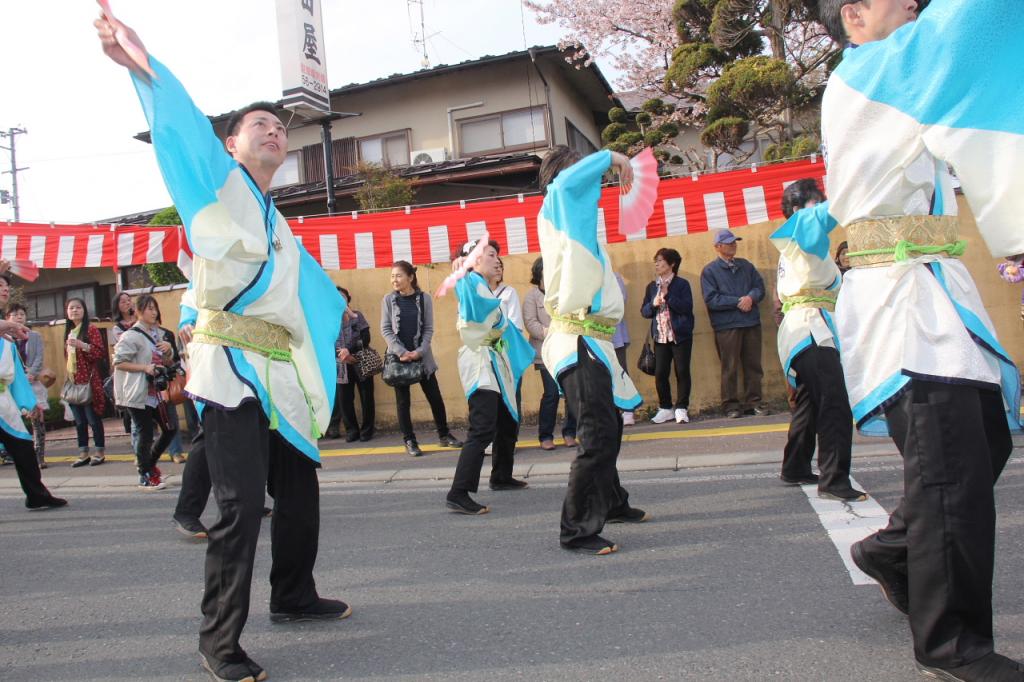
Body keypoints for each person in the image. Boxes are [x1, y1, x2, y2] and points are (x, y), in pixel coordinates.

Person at [97, 13, 350, 682]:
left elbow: (313, 296)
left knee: (299, 491)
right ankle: (218, 640)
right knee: (240, 505)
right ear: (232, 143)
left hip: (279, 373)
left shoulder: (278, 221)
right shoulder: (216, 186)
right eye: (259, 125)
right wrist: (143, 68)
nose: (275, 131)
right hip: (231, 368)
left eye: (280, 126)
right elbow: (181, 129)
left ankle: (293, 593)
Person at [797, 1, 1024, 678]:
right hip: (898, 295)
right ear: (856, 14)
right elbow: (975, 20)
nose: (917, 3)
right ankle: (952, 644)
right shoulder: (872, 72)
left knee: (984, 440)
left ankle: (894, 550)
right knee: (951, 463)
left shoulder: (893, 78)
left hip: (927, 289)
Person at [537, 145, 649, 556]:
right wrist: (612, 157)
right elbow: (567, 181)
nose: (594, 185)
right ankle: (577, 529)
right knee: (596, 434)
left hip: (595, 339)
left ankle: (613, 502)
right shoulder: (559, 201)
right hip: (578, 336)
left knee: (610, 428)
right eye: (587, 174)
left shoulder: (580, 228)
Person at [772, 178, 865, 502]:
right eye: (816, 202)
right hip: (811, 328)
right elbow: (824, 215)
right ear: (799, 209)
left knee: (811, 403)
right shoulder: (803, 232)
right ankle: (834, 479)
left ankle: (795, 465)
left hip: (804, 328)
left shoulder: (800, 241)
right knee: (834, 402)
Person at [445, 240, 535, 514]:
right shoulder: (470, 282)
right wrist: (460, 275)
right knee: (482, 427)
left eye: (498, 255)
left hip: (495, 359)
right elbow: (472, 307)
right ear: (473, 260)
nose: (497, 260)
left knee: (507, 420)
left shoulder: (480, 283)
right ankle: (458, 491)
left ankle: (501, 476)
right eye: (491, 255)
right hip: (481, 361)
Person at [380, 261, 463, 457]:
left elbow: (428, 329)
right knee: (403, 402)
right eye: (392, 276)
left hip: (422, 357)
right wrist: (401, 352)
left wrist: (419, 351)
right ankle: (410, 440)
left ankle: (444, 435)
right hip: (398, 359)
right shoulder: (388, 300)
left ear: (410, 277)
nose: (394, 280)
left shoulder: (424, 298)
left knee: (435, 397)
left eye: (399, 275)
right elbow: (385, 329)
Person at [0, 293, 67, 512]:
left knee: (23, 447)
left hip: (4, 402)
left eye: (6, 286)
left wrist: (30, 401)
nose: (4, 290)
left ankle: (36, 495)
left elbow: (16, 375)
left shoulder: (8, 340)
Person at [112, 294, 178, 490]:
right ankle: (145, 475)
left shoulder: (158, 334)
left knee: (170, 428)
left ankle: (149, 465)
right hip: (137, 392)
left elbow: (167, 362)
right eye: (149, 308)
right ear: (139, 311)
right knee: (145, 433)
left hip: (155, 392)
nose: (154, 312)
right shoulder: (131, 335)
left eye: (155, 308)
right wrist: (145, 368)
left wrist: (168, 351)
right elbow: (118, 362)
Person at [700, 229, 767, 419]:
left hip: (750, 322)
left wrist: (751, 298)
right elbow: (712, 299)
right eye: (728, 243)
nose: (733, 245)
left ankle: (754, 401)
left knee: (753, 365)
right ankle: (730, 405)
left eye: (734, 242)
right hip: (727, 326)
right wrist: (739, 301)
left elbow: (759, 287)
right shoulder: (710, 271)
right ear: (717, 247)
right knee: (729, 367)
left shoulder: (745, 265)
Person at [522, 257, 577, 450]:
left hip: (567, 350)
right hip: (545, 352)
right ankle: (545, 435)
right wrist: (553, 332)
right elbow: (531, 323)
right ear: (539, 273)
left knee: (571, 393)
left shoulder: (562, 292)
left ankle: (570, 432)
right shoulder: (532, 296)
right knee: (552, 394)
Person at [640, 248, 695, 425]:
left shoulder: (682, 284)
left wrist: (668, 295)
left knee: (682, 371)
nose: (657, 264)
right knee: (661, 373)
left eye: (661, 261)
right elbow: (645, 312)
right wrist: (653, 303)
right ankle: (665, 408)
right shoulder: (651, 286)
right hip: (660, 337)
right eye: (655, 261)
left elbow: (686, 308)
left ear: (672, 264)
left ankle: (681, 408)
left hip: (680, 336)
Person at [64, 297, 107, 467]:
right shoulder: (69, 332)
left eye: (78, 307)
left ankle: (99, 451)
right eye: (71, 308)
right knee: (79, 421)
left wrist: (83, 345)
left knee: (93, 419)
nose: (74, 310)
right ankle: (83, 452)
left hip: (89, 382)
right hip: (74, 382)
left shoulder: (91, 329)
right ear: (67, 313)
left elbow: (99, 353)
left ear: (84, 310)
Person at [329, 288, 375, 443]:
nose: (340, 300)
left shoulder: (357, 316)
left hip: (360, 361)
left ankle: (367, 430)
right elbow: (326, 342)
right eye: (336, 297)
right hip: (342, 364)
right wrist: (342, 355)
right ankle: (352, 430)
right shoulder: (328, 319)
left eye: (343, 297)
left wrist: (350, 350)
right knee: (345, 399)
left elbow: (365, 338)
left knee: (366, 397)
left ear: (348, 299)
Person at [5, 303, 47, 468]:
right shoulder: (5, 338)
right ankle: (11, 454)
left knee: (37, 417)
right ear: (7, 318)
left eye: (22, 314)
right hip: (11, 383)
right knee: (13, 419)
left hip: (32, 381)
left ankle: (39, 455)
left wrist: (32, 374)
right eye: (15, 314)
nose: (19, 317)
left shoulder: (34, 335)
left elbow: (39, 356)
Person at [611, 272, 635, 427]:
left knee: (621, 372)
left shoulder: (614, 277)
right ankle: (610, 411)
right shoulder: (585, 277)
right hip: (593, 335)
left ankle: (628, 410)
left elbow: (620, 302)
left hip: (614, 334)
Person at [489, 257, 524, 332]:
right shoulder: (476, 293)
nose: (499, 269)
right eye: (495, 267)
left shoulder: (509, 292)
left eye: (500, 266)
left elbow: (515, 322)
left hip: (505, 339)